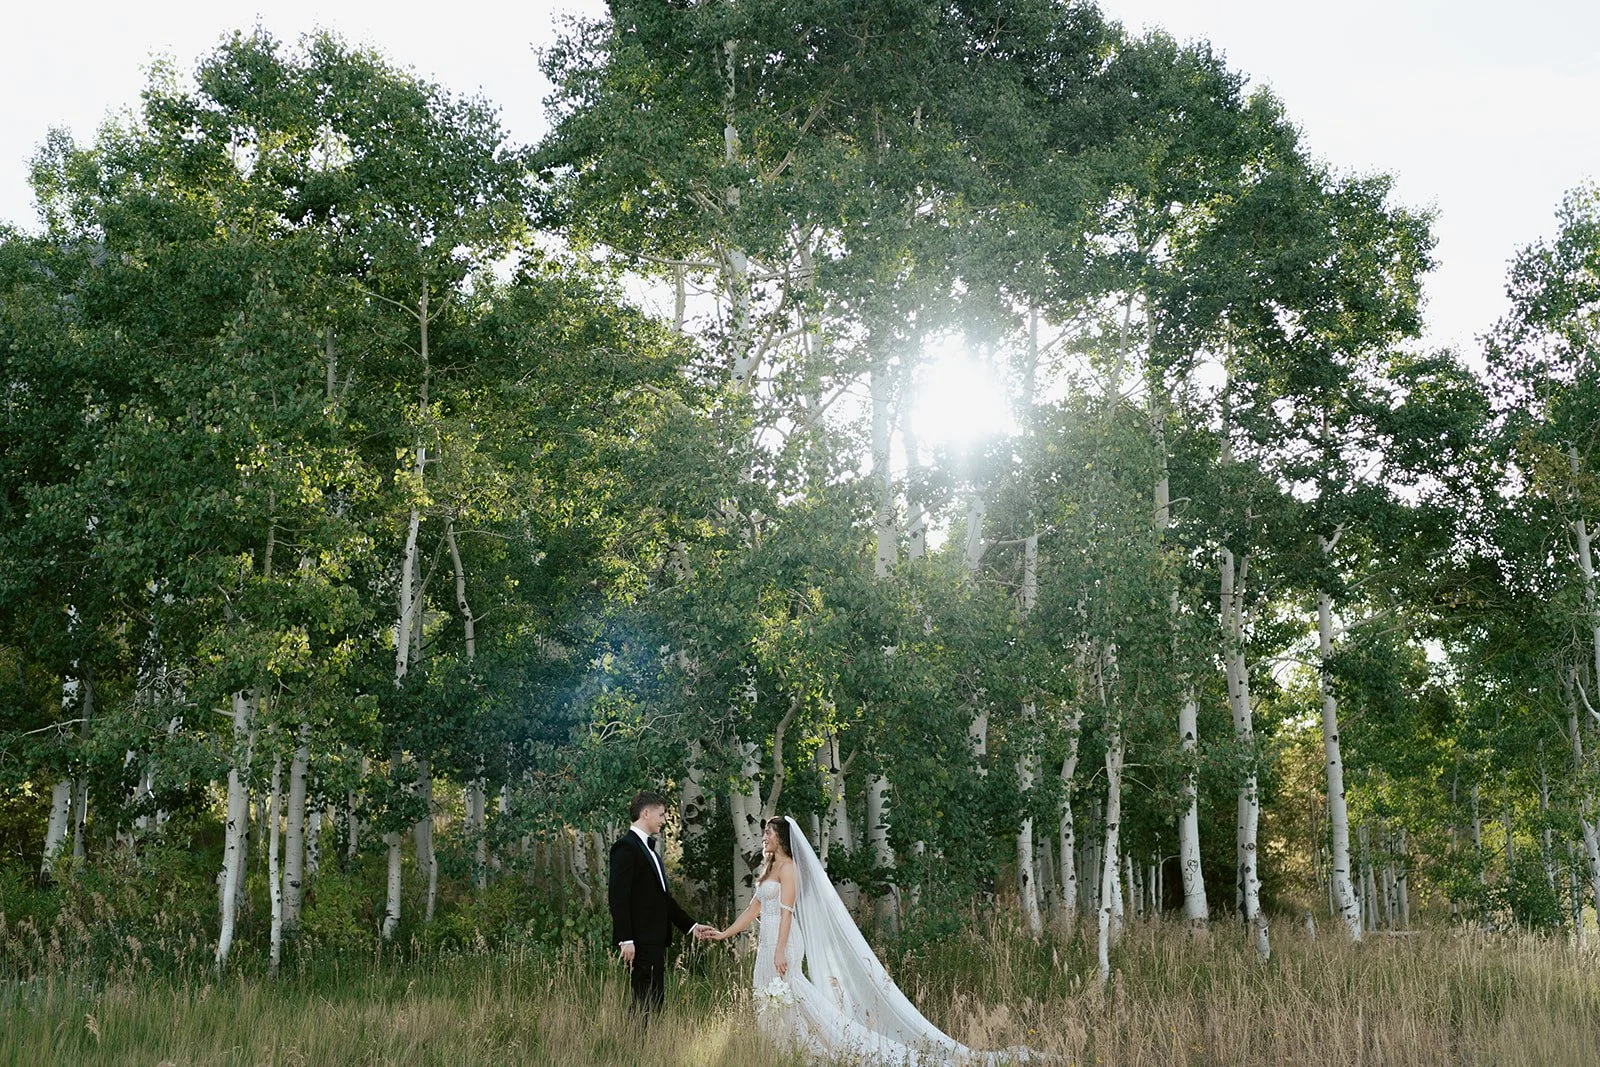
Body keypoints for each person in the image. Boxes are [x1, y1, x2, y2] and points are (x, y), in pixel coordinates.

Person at [698, 816, 1031, 1065]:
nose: (764, 837)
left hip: (784, 942)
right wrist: (725, 933)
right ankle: (780, 1051)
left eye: (768, 832)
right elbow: (755, 908)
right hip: (768, 943)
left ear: (781, 837)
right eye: (764, 833)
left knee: (792, 996)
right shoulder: (768, 869)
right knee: (771, 997)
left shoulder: (788, 869)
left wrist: (781, 951)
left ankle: (820, 1046)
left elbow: (786, 913)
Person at [607, 790, 710, 1017]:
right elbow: (618, 897)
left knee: (655, 1002)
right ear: (646, 813)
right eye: (661, 815)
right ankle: (636, 1048)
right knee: (644, 1003)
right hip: (639, 941)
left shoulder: (650, 851)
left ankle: (646, 1049)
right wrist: (626, 939)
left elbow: (664, 900)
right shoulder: (625, 848)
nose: (664, 820)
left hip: (654, 940)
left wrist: (692, 927)